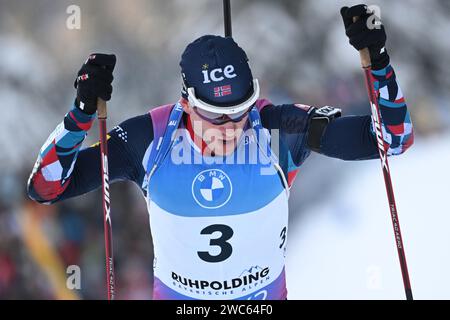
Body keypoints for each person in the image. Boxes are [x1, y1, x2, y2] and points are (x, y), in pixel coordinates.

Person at [27, 4, 414, 300]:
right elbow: (45, 188)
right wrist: (80, 114)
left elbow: (394, 139)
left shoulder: (278, 130)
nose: (230, 127)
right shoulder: (151, 140)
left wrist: (377, 62)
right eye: (215, 115)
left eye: (241, 111)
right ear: (187, 102)